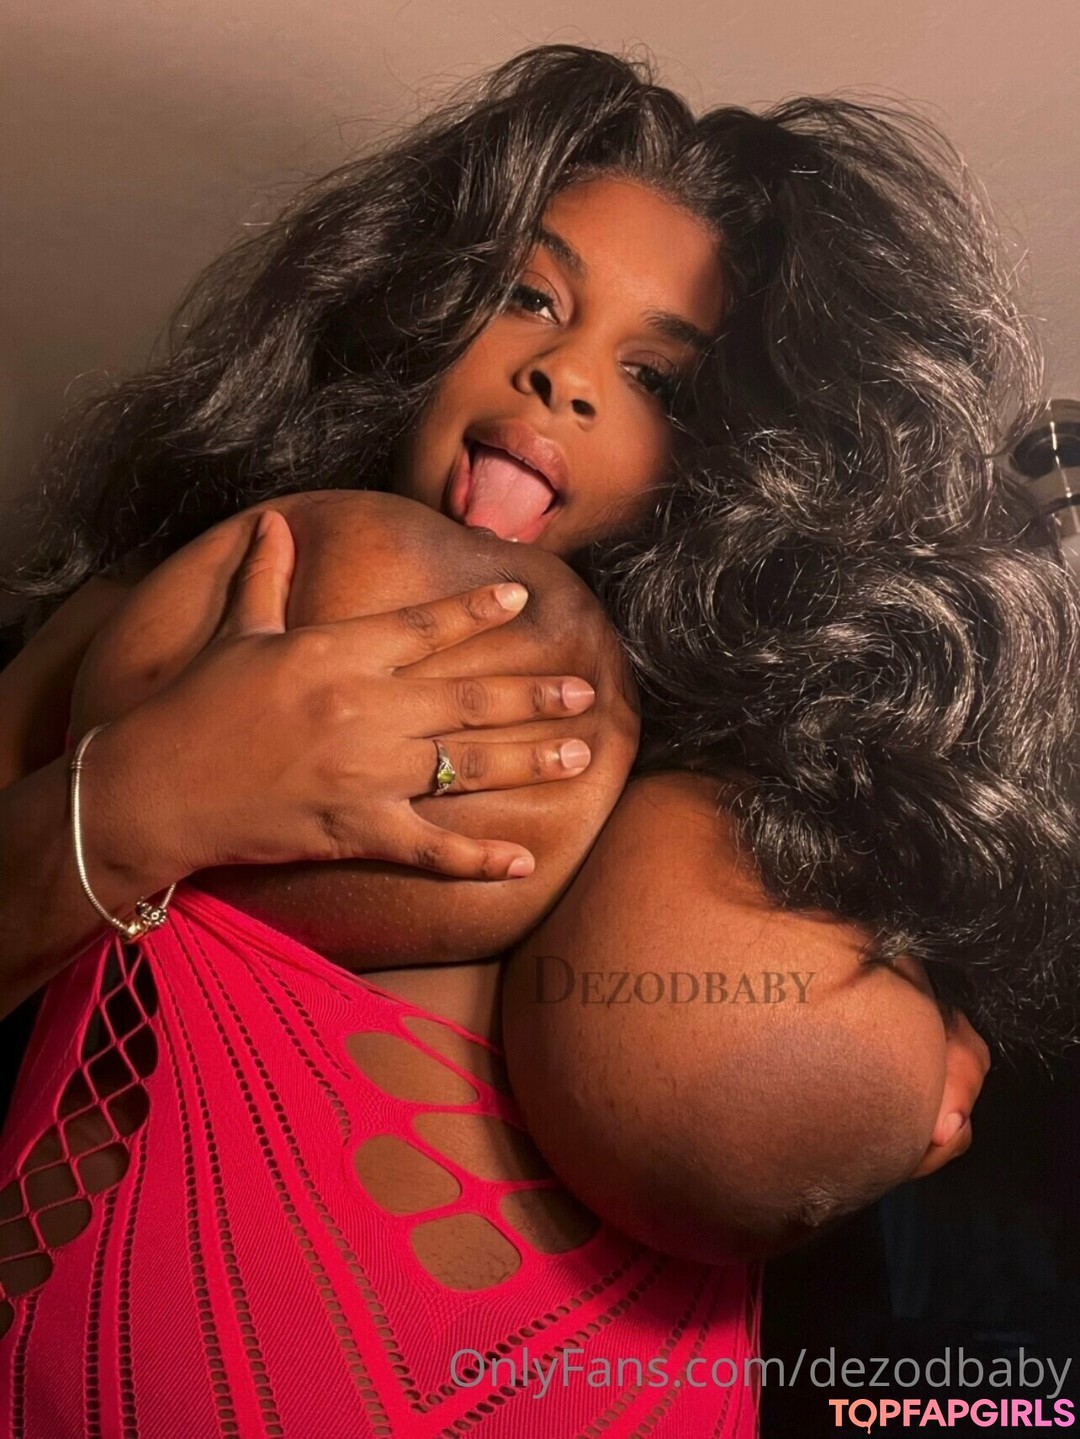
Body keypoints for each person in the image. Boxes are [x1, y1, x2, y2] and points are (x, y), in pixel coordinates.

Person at [0, 41, 1075, 1436]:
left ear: (744, 461)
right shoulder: (168, 609)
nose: (564, 374)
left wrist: (889, 1061)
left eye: (659, 379)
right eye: (528, 297)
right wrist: (147, 798)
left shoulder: (765, 791)